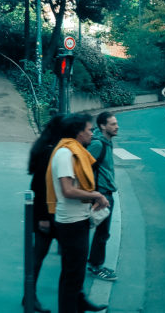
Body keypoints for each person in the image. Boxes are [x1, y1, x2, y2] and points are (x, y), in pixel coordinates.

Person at [46, 113, 110, 313]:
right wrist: (96, 195)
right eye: (90, 130)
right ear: (78, 131)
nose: (93, 133)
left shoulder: (75, 151)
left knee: (75, 270)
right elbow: (67, 190)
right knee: (71, 273)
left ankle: (79, 302)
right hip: (71, 222)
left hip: (78, 219)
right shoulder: (66, 153)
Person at [25, 113, 65, 313]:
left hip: (52, 212)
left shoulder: (46, 146)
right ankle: (29, 298)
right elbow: (39, 186)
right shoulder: (50, 151)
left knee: (66, 256)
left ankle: (29, 297)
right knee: (39, 255)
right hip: (48, 214)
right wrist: (42, 218)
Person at [86, 112, 119, 282]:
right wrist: (94, 194)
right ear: (103, 126)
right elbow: (82, 167)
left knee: (100, 231)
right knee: (102, 232)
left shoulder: (106, 142)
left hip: (105, 193)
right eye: (112, 124)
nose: (117, 126)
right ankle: (95, 266)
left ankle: (93, 262)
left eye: (116, 123)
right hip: (101, 195)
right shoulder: (98, 144)